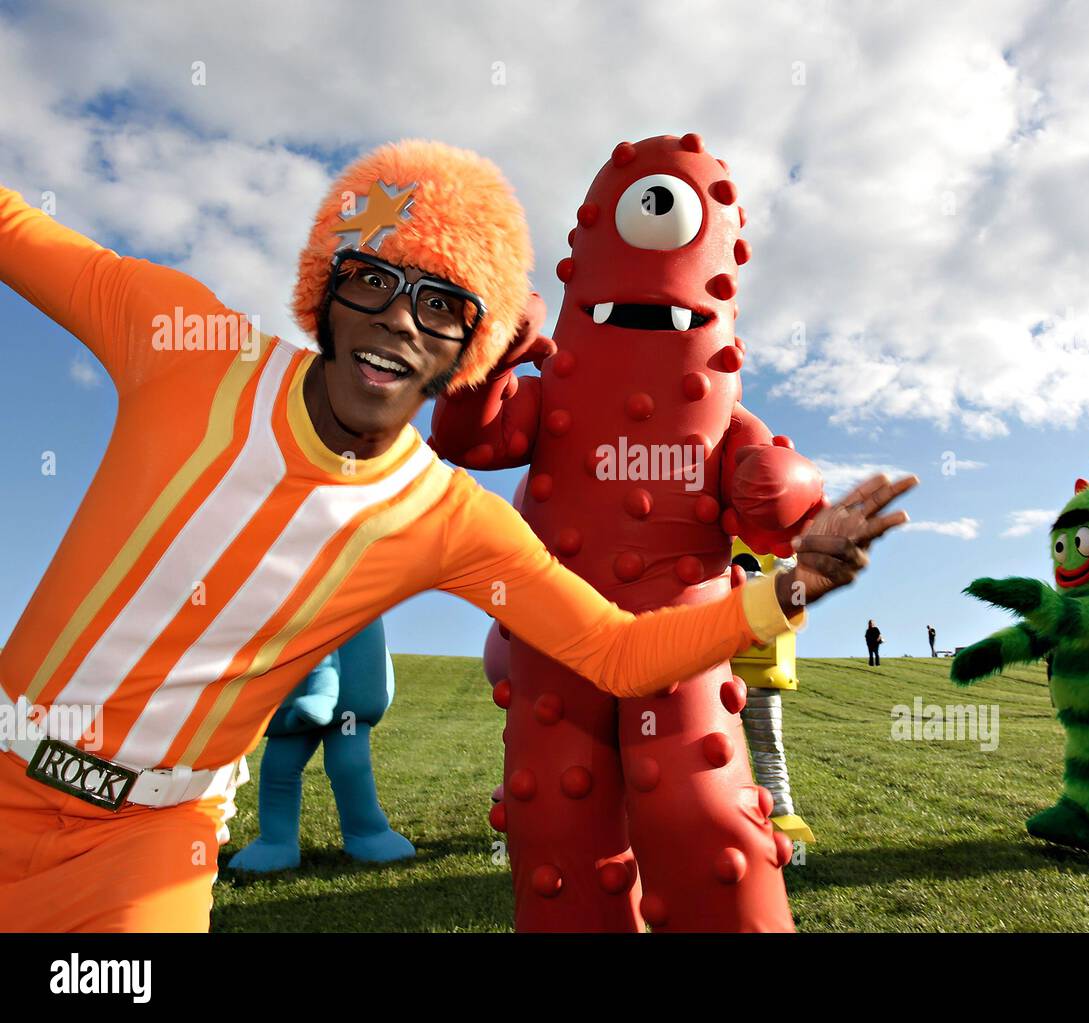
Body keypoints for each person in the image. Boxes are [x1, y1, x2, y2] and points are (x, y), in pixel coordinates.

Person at [0, 139, 917, 932]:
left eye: (443, 304)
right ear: (324, 291)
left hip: (147, 846)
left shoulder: (443, 518)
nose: (401, 316)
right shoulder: (184, 341)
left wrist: (792, 585)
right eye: (374, 280)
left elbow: (622, 651)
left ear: (470, 351)